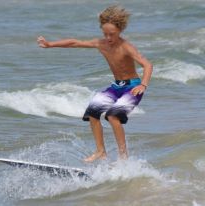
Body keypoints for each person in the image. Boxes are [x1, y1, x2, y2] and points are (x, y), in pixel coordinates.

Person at [37, 5, 153, 163]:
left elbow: (147, 65)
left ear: (120, 30)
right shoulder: (102, 44)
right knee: (93, 111)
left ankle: (123, 157)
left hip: (133, 87)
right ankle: (100, 151)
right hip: (117, 86)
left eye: (112, 34)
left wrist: (143, 85)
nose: (108, 38)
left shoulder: (126, 47)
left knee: (112, 116)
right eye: (105, 34)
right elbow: (75, 43)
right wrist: (51, 44)